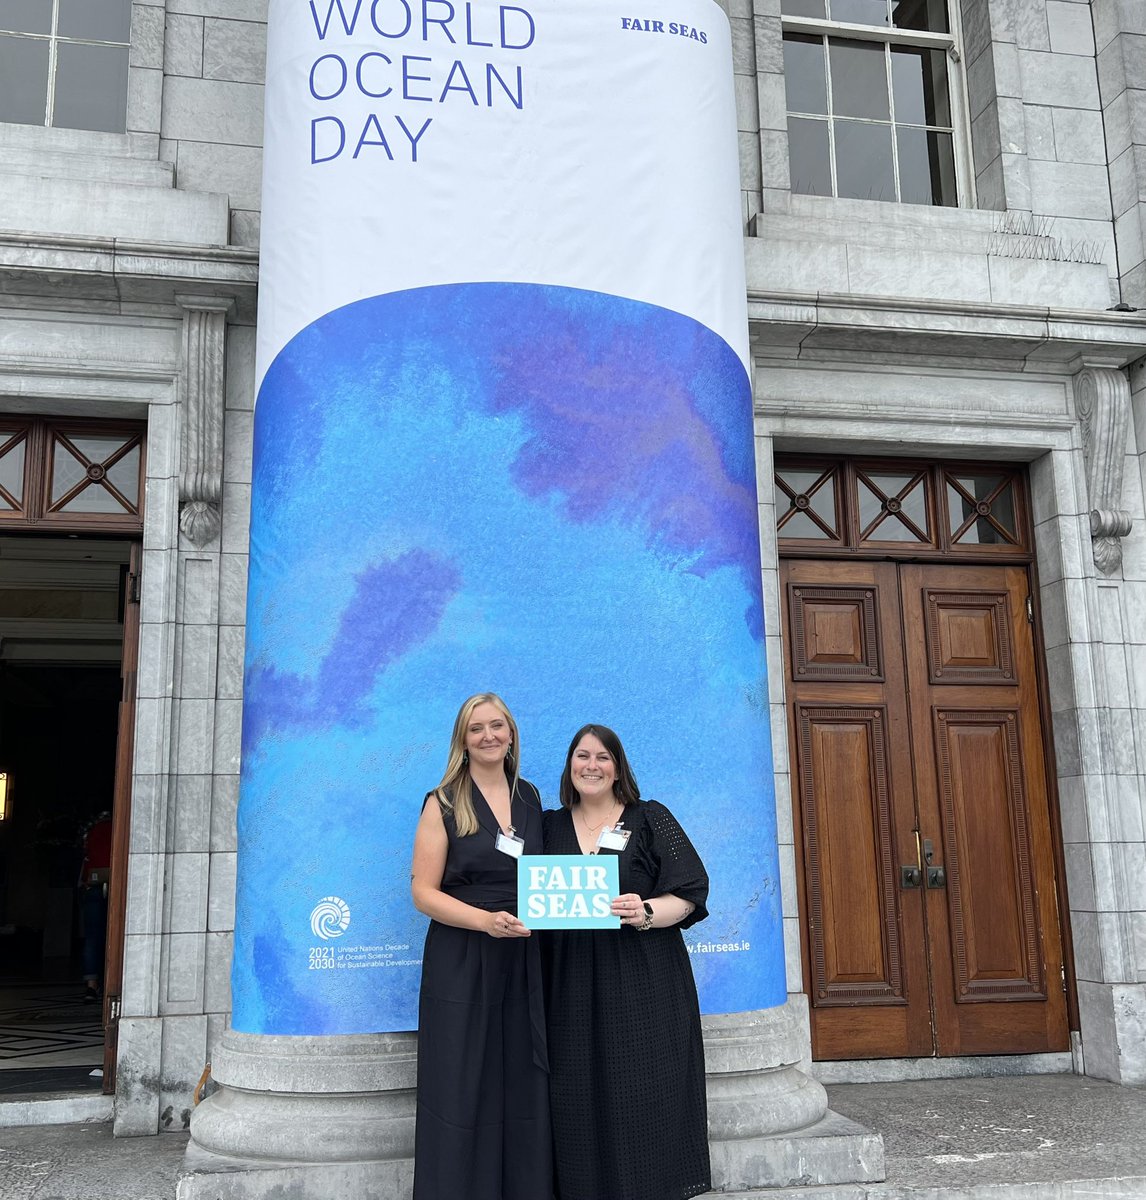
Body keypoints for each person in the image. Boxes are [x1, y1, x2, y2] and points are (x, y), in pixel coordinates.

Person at [543, 724, 711, 1200]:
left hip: (643, 979)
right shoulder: (548, 825)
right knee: (576, 1095)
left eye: (602, 757)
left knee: (642, 1094)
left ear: (618, 767)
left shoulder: (649, 817)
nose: (590, 766)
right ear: (569, 765)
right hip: (569, 984)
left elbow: (691, 894)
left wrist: (647, 912)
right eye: (581, 756)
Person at [410, 693, 552, 1200]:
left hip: (522, 957)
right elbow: (423, 893)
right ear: (462, 739)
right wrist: (485, 922)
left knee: (521, 1079)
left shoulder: (530, 797)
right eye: (476, 729)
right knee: (461, 1082)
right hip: (464, 957)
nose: (488, 736)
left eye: (497, 726)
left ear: (511, 734)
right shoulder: (443, 801)